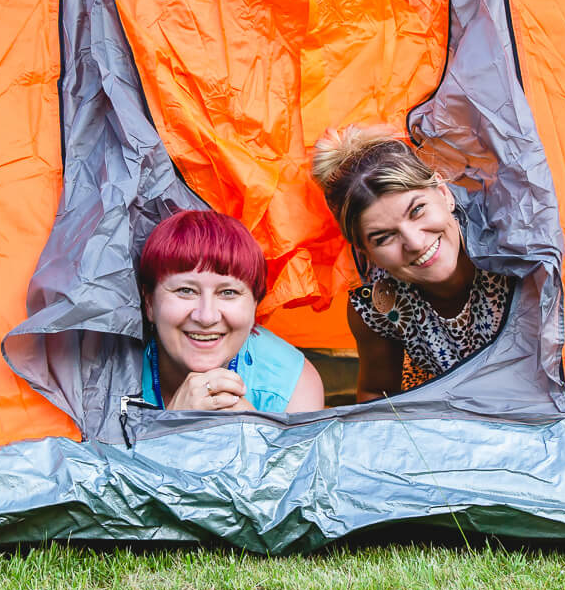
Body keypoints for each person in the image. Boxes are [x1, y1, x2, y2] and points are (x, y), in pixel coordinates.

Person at [310, 127, 516, 401]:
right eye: (384, 237)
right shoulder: (375, 304)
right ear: (365, 250)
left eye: (417, 210)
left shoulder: (513, 251)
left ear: (444, 194)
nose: (415, 243)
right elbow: (377, 393)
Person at [137, 209, 325, 412]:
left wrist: (254, 434)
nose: (207, 317)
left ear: (255, 304)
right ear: (149, 303)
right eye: (186, 290)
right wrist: (170, 430)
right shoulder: (106, 373)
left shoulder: (292, 383)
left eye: (228, 292)